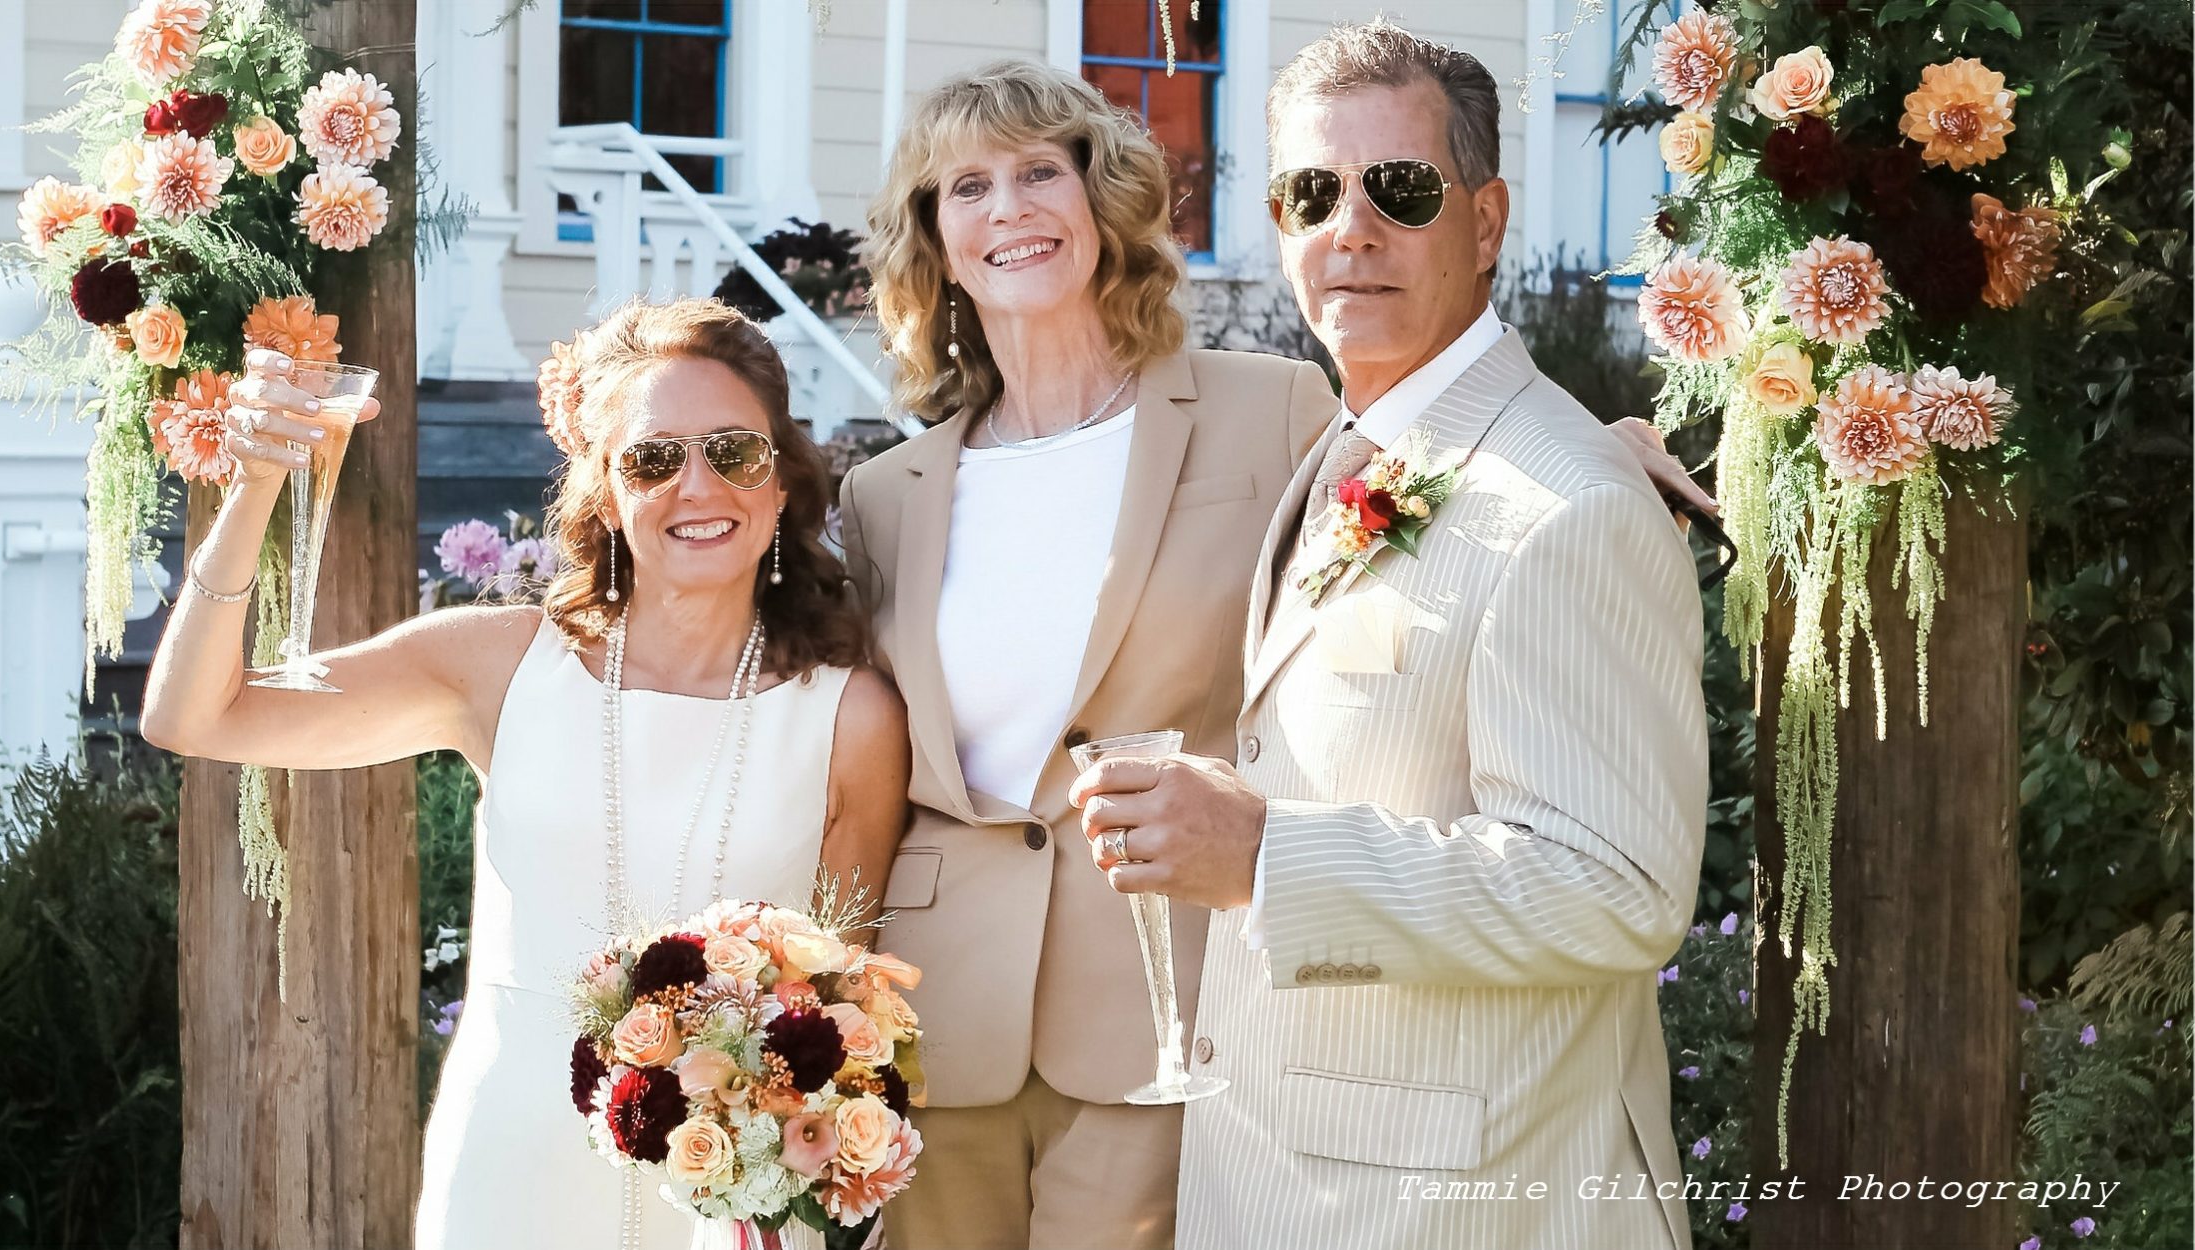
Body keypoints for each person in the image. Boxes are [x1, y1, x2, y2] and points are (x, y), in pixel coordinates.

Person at [841, 57, 1708, 1250]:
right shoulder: (885, 494)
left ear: (1103, 201)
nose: (1008, 210)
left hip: (1169, 1012)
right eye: (967, 187)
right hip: (941, 1021)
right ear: (931, 236)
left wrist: (1601, 452)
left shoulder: (1275, 408)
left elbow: (1447, 452)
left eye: (1041, 171)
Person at [140, 297, 911, 1250]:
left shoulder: (853, 717)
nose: (698, 486)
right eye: (653, 458)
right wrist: (254, 485)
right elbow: (194, 715)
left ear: (783, 481)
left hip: (735, 1199)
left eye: (734, 453)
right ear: (606, 493)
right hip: (514, 1168)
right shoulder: (504, 665)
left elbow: (844, 1007)